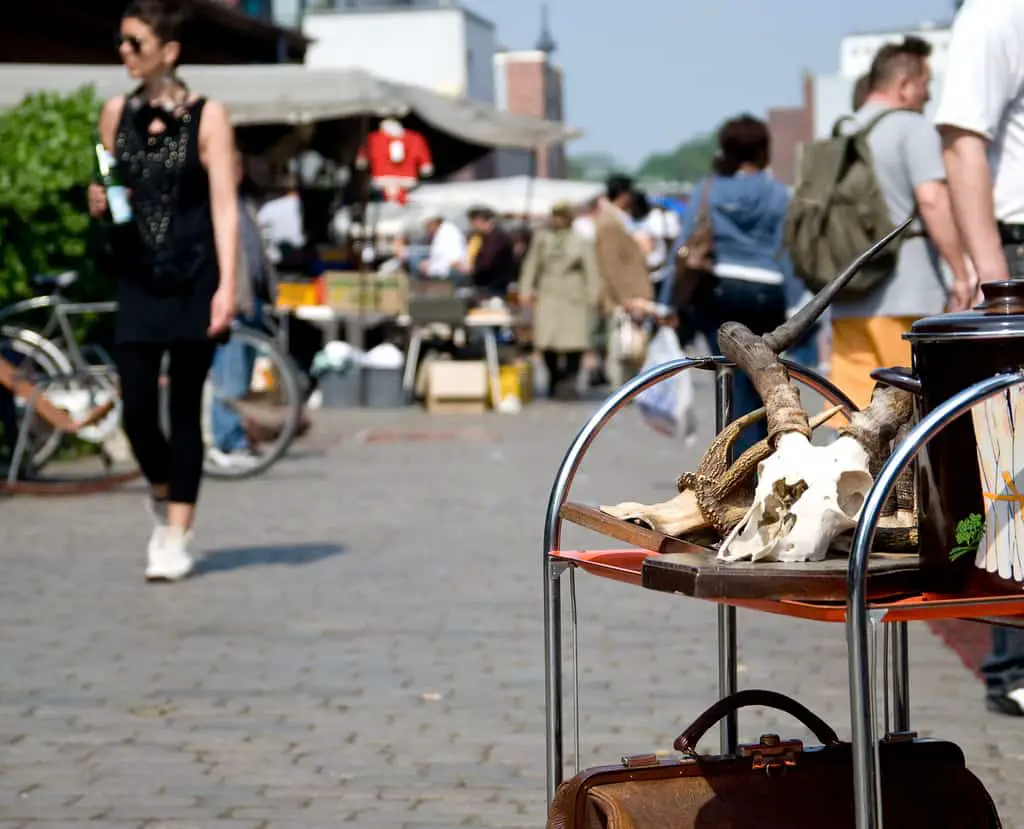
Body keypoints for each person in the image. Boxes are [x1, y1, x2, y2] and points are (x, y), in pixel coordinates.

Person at [87, 0, 238, 582]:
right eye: (121, 43)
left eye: (135, 43)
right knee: (138, 409)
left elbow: (225, 204)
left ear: (168, 52)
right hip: (137, 276)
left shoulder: (210, 116)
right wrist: (98, 202)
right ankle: (162, 489)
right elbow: (108, 185)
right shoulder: (113, 113)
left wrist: (228, 285)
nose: (124, 52)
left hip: (195, 273)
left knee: (184, 406)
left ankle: (176, 532)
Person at [935, 0, 1024, 715]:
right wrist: (998, 285)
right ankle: (1015, 666)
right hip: (1018, 250)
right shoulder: (997, 11)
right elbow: (963, 140)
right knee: (1016, 464)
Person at [830, 36, 971, 408]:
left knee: (848, 408)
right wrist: (961, 271)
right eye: (926, 84)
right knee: (907, 406)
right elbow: (932, 198)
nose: (927, 96)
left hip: (845, 289)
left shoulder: (841, 131)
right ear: (905, 86)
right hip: (906, 289)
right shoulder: (912, 127)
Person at [661, 116, 796, 453]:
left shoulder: (710, 189)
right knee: (765, 376)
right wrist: (795, 303)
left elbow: (684, 242)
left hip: (720, 292)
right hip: (768, 291)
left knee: (734, 378)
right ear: (763, 149)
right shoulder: (777, 191)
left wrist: (668, 303)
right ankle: (768, 457)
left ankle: (738, 468)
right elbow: (788, 249)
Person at [207, 150, 277, 471]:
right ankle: (227, 441)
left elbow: (256, 254)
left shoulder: (243, 203)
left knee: (242, 376)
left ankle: (237, 438)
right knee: (229, 376)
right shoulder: (213, 206)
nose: (234, 172)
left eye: (237, 166)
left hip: (252, 300)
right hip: (231, 301)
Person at [519, 202, 601, 400]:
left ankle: (569, 382)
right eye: (555, 216)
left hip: (573, 296)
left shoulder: (580, 241)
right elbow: (532, 265)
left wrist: (594, 294)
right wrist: (526, 289)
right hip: (548, 294)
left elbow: (591, 269)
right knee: (546, 342)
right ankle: (553, 377)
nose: (557, 220)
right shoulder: (542, 239)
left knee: (574, 343)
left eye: (561, 216)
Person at [593, 174, 653, 388]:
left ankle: (625, 388)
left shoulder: (616, 219)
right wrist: (627, 297)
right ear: (624, 194)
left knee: (628, 345)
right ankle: (621, 391)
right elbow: (612, 265)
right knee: (622, 347)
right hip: (622, 296)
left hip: (626, 294)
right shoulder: (610, 222)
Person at [466, 205, 516, 299]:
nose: (472, 226)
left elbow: (487, 260)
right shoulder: (481, 237)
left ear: (479, 220)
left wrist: (471, 269)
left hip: (494, 287)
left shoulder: (497, 237)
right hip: (485, 285)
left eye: (473, 223)